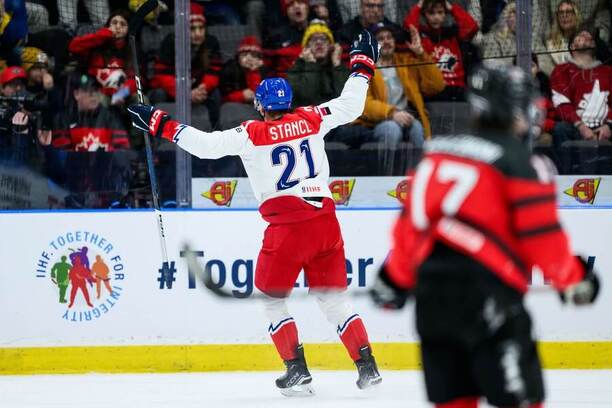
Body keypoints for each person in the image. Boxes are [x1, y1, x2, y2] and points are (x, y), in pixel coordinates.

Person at [128, 30, 383, 397]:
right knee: (333, 301)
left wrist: (158, 122)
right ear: (290, 101)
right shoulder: (313, 117)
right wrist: (362, 65)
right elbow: (351, 104)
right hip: (326, 223)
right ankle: (367, 366)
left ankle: (297, 370)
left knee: (271, 297)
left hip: (288, 228)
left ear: (262, 107)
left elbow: (205, 146)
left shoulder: (252, 132)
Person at [369, 64, 601, 408]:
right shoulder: (520, 162)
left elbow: (411, 232)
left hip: (432, 305)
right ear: (512, 111)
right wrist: (573, 280)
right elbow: (542, 239)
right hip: (489, 300)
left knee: (455, 402)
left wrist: (394, 279)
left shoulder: (435, 154)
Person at [358, 21, 445, 174]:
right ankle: (386, 177)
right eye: (380, 38)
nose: (386, 41)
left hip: (408, 117)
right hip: (379, 122)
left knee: (417, 127)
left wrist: (420, 53)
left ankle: (421, 177)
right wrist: (392, 113)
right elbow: (363, 103)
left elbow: (436, 85)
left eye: (389, 37)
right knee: (391, 129)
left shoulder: (406, 62)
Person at [550, 27, 611, 172]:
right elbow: (561, 104)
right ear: (572, 46)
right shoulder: (562, 70)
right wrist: (581, 127)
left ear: (594, 45)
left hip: (605, 128)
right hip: (575, 128)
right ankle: (565, 184)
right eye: (580, 36)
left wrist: (609, 126)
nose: (586, 35)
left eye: (589, 36)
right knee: (560, 129)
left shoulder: (608, 71)